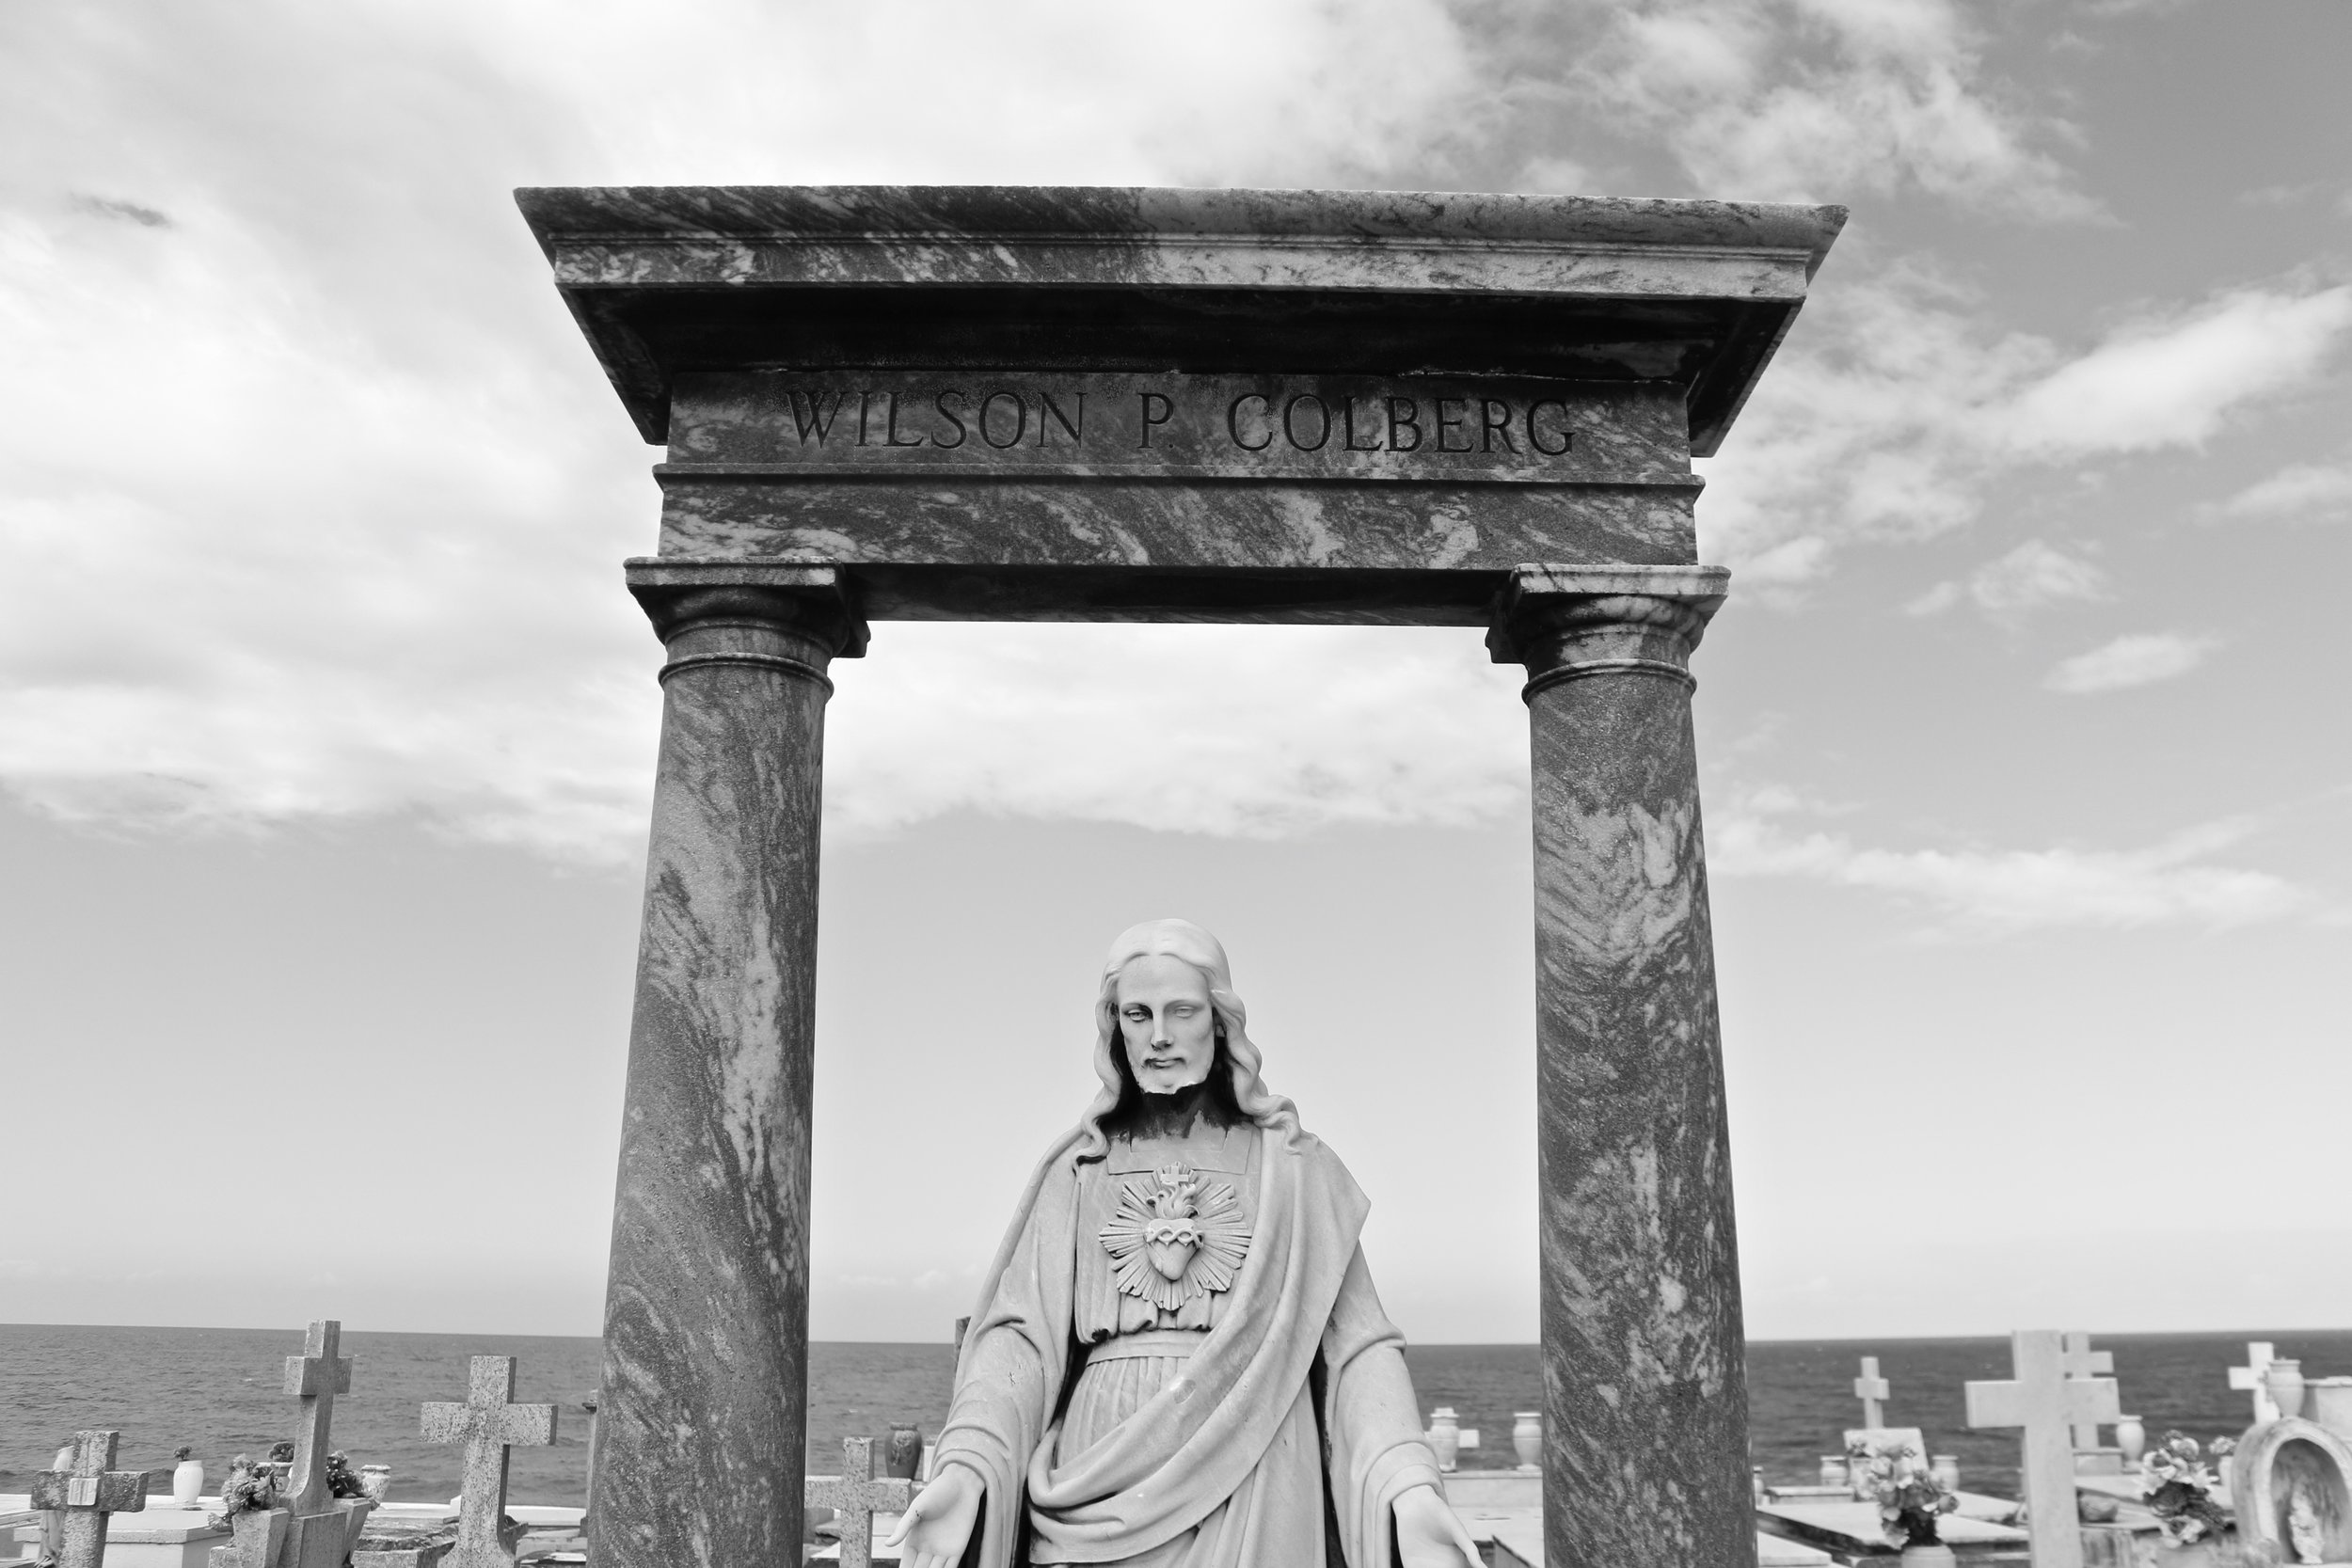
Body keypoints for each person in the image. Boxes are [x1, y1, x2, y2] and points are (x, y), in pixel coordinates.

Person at [885, 919, 1481, 1568]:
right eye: (1137, 1014)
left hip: (1257, 1468)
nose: (1159, 1034)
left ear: (1220, 1022)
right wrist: (968, 1460)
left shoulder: (1293, 1173)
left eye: (1182, 1011)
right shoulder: (1080, 1170)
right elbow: (1018, 1342)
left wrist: (1407, 1480)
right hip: (1099, 1476)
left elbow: (1358, 1349)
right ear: (1116, 1027)